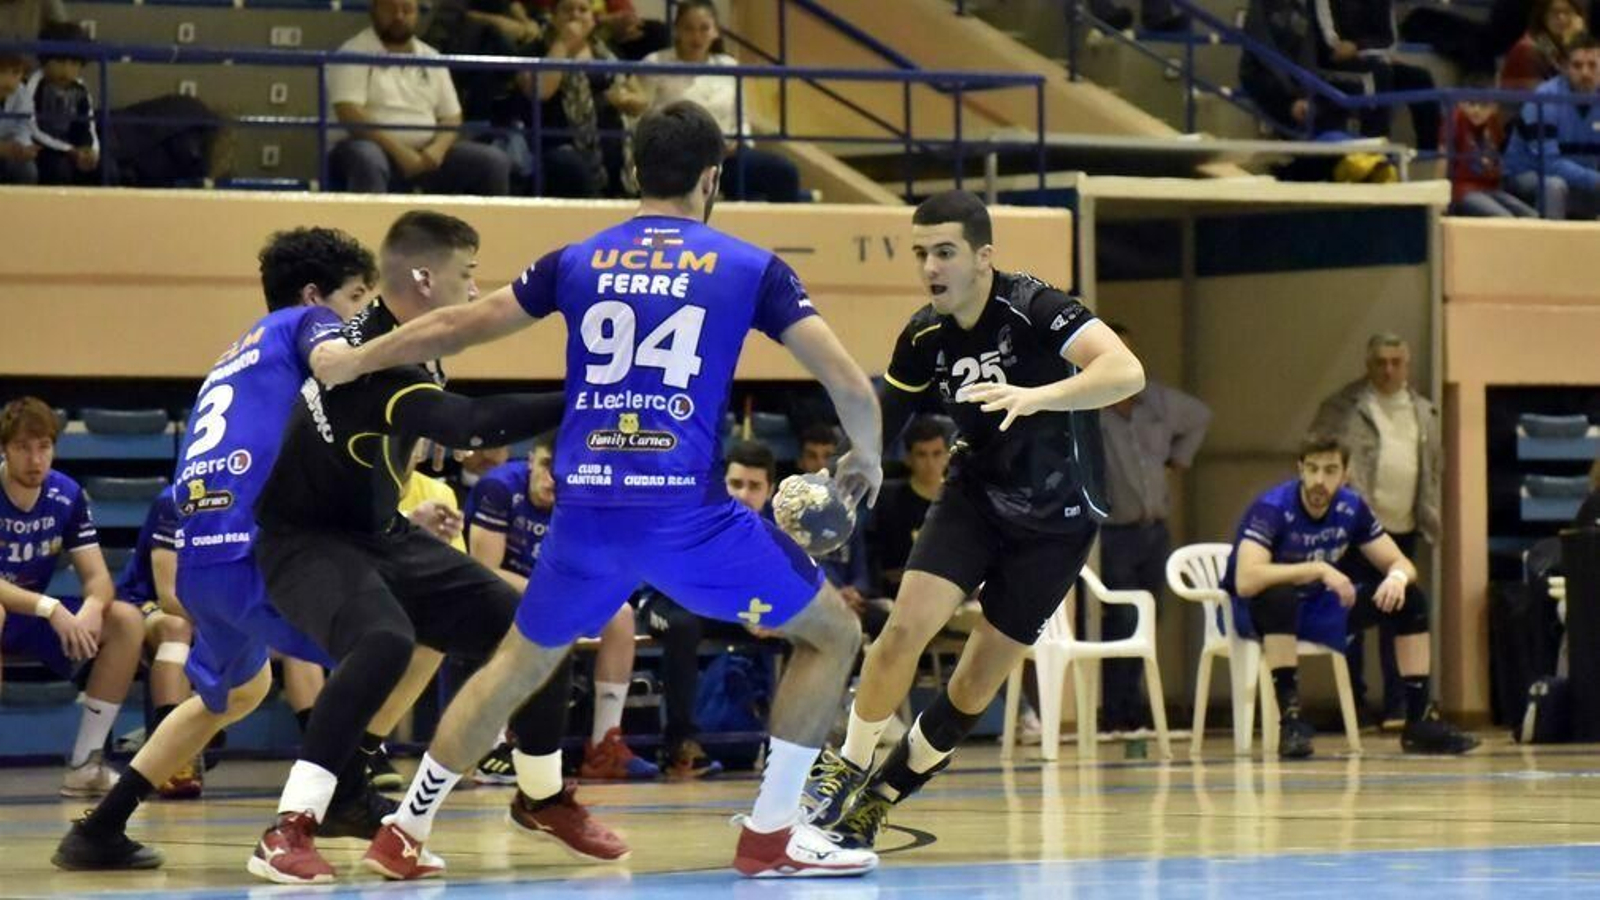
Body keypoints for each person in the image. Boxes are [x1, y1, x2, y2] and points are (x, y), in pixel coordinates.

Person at [315, 100, 884, 880]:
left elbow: (463, 325)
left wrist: (358, 358)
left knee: (510, 668)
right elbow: (848, 382)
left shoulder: (576, 260)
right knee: (833, 634)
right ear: (712, 177)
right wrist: (867, 458)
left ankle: (404, 832)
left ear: (632, 172)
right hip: (686, 515)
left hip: (583, 514)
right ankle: (771, 835)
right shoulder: (750, 267)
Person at [243, 211, 599, 885]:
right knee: (384, 641)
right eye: (468, 274)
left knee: (540, 628)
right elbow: (470, 423)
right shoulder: (382, 363)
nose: (475, 289)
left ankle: (543, 795)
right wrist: (588, 395)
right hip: (306, 541)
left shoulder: (400, 342)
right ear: (426, 278)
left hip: (382, 533)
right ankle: (288, 827)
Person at [804, 190, 1146, 851]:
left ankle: (881, 797)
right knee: (903, 629)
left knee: (975, 682)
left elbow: (1125, 371)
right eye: (921, 254)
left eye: (945, 252)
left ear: (983, 257)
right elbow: (884, 417)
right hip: (977, 496)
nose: (931, 267)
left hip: (1060, 517)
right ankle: (842, 770)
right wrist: (855, 468)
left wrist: (1036, 395)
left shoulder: (1035, 306)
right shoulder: (924, 334)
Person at [50, 227, 382, 872]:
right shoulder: (311, 323)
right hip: (254, 550)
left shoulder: (236, 353)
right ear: (316, 295)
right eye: (357, 297)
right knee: (394, 639)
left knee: (240, 692)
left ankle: (99, 829)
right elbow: (343, 370)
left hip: (203, 555)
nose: (361, 314)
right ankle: (332, 803)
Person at [1223, 435, 1477, 758]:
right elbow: (1247, 580)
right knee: (1281, 595)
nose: (1319, 480)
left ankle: (1419, 722)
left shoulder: (1351, 507)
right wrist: (1317, 570)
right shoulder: (1272, 508)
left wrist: (1397, 578)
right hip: (1258, 610)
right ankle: (1292, 721)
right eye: (1312, 469)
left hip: (1317, 606)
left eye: (1330, 471)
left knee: (1410, 599)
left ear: (1345, 474)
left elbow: (1401, 562)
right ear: (1300, 469)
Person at [464, 434, 658, 781]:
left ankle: (604, 747)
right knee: (514, 610)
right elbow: (484, 571)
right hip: (499, 593)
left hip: (556, 592)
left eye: (564, 472)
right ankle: (492, 744)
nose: (553, 479)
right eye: (545, 467)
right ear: (530, 462)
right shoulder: (499, 488)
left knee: (622, 615)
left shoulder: (583, 498)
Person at [0, 397, 146, 798]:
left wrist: (94, 608)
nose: (35, 459)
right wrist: (52, 608)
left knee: (126, 619)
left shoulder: (66, 495)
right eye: (23, 447)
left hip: (30, 617)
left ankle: (85, 763)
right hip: (17, 609)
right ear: (5, 449)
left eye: (43, 446)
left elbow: (98, 576)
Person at [1310, 333, 1441, 729]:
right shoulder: (1345, 407)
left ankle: (1401, 707)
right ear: (1368, 365)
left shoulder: (1424, 411)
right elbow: (1317, 450)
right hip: (1355, 528)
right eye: (1380, 362)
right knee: (1351, 610)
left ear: (1407, 364)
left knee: (1401, 606)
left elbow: (1434, 466)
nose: (1388, 370)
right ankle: (1355, 706)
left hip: (1403, 525)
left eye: (1395, 362)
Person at [634, 439, 785, 780]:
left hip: (725, 612)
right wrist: (743, 613)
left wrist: (775, 616)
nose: (743, 494)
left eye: (754, 486)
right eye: (735, 484)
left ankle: (798, 745)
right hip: (664, 601)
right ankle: (679, 745)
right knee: (684, 625)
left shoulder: (772, 531)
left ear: (769, 490)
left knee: (801, 627)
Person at [1096, 324, 1211, 735]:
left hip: (1154, 530)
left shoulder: (1157, 400)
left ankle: (1132, 708)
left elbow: (1200, 416)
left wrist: (1179, 458)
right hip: (1113, 532)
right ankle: (1117, 711)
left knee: (1151, 616)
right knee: (1122, 618)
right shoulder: (1089, 407)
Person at [328, 0, 512, 195]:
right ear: (374, 10)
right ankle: (370, 226)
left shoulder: (430, 56)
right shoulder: (353, 52)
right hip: (371, 149)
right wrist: (402, 154)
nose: (399, 16)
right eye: (390, 9)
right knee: (366, 157)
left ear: (417, 13)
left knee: (493, 162)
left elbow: (452, 116)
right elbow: (349, 111)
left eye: (406, 9)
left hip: (425, 153)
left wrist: (436, 151)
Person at [637, 0, 802, 203]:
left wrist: (740, 142)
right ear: (676, 30)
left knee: (784, 171)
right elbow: (644, 117)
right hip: (676, 159)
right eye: (688, 28)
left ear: (716, 32)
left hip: (725, 158)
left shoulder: (730, 66)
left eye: (704, 28)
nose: (696, 36)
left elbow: (740, 119)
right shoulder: (655, 63)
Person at [493, 0, 648, 197]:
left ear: (592, 19)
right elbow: (541, 91)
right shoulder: (535, 51)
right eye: (567, 10)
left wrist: (624, 99)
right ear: (554, 17)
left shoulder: (606, 53)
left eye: (582, 10)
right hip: (555, 146)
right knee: (569, 164)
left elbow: (641, 98)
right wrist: (563, 43)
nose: (575, 15)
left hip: (610, 144)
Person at [112, 492, 204, 799]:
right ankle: (172, 757)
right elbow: (168, 596)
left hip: (212, 607)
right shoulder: (175, 499)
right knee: (176, 628)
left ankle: (335, 765)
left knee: (300, 636)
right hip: (146, 602)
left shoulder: (255, 499)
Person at [1313, 0, 1441, 151]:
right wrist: (1342, 48)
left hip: (1372, 58)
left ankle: (1429, 153)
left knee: (1420, 78)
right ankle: (1376, 148)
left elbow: (1388, 40)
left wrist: (1358, 47)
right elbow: (1332, 48)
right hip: (1332, 65)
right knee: (1379, 74)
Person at [1503, 33, 1600, 219]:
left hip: (1580, 179)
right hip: (1527, 175)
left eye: (1593, 65)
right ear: (1564, 67)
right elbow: (1549, 164)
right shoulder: (1545, 98)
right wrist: (1595, 179)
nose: (1585, 73)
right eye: (1577, 66)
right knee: (1554, 186)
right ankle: (1550, 247)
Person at [868, 415, 950, 600]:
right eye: (922, 454)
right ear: (908, 458)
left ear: (947, 456)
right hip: (903, 594)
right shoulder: (889, 501)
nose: (930, 463)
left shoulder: (961, 498)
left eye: (937, 453)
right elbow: (884, 566)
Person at [28, 22, 106, 185]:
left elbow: (88, 125)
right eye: (60, 61)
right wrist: (68, 150)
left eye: (74, 63)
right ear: (44, 59)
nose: (66, 69)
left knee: (105, 168)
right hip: (43, 149)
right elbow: (31, 127)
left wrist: (91, 151)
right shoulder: (33, 85)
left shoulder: (81, 89)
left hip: (74, 150)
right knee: (58, 169)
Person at [1446, 89, 1539, 217]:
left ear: (1493, 108)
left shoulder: (1493, 123)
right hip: (1464, 190)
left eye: (1483, 105)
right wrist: (1443, 198)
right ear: (1461, 104)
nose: (1476, 110)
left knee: (1532, 216)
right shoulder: (1456, 119)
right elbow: (1443, 158)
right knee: (1505, 218)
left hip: (1491, 189)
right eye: (1471, 104)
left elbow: (1498, 157)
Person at [1501, 0, 1586, 91]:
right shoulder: (1527, 50)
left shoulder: (1559, 44)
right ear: (1543, 16)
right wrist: (1572, 44)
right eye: (1554, 12)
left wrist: (1578, 40)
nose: (1562, 18)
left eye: (1568, 12)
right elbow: (1548, 94)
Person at [0, 51, 38, 184]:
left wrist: (21, 147)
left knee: (27, 170)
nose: (8, 80)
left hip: (10, 151)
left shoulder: (22, 94)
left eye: (16, 73)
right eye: (2, 71)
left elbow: (24, 126)